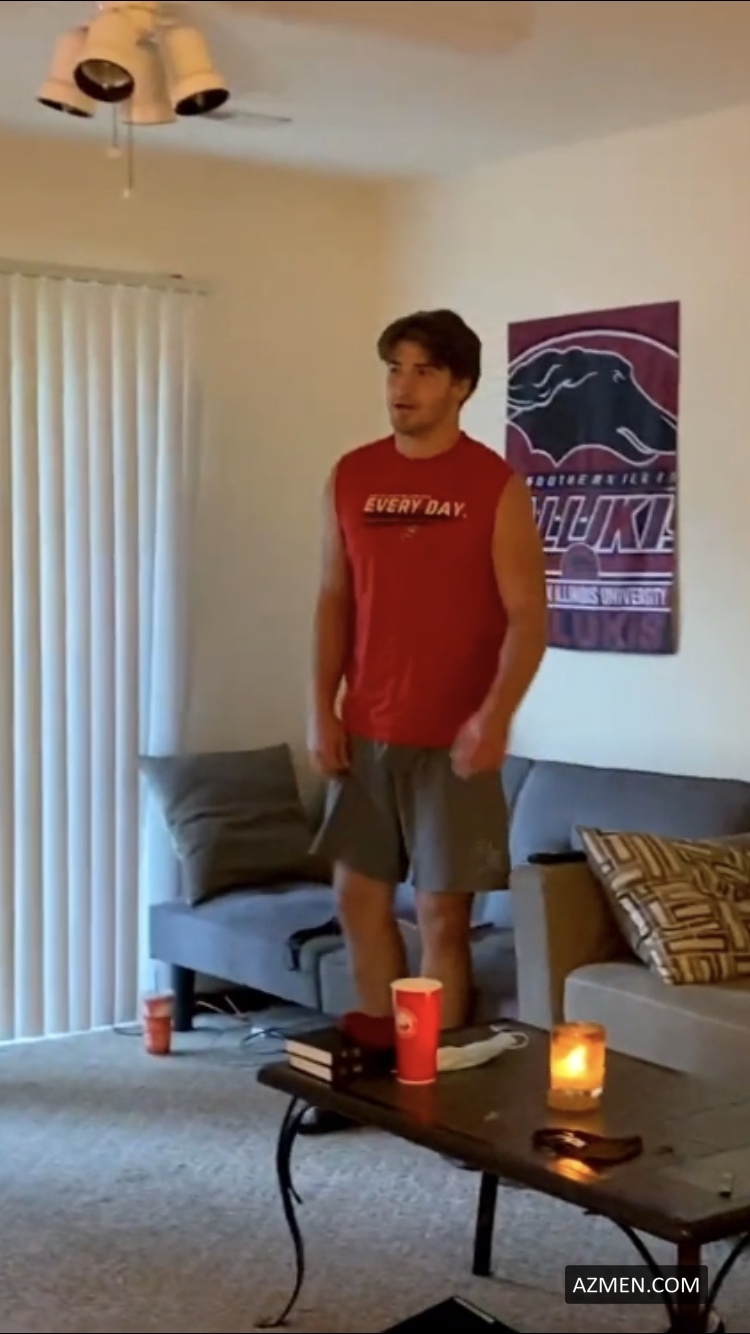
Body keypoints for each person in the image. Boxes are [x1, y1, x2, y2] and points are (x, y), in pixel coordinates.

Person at [304, 309, 547, 1132]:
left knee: (443, 916)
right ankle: (374, 1069)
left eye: (422, 371)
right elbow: (334, 598)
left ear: (461, 386)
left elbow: (528, 617)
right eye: (393, 369)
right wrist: (321, 706)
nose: (401, 387)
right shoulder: (352, 475)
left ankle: (435, 1091)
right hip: (367, 730)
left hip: (455, 741)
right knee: (358, 900)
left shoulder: (494, 486)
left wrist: (496, 716)